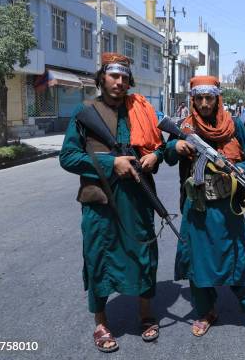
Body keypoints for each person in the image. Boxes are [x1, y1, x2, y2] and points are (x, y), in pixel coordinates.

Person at [59, 52, 165, 353]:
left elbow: (161, 145)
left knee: (144, 253)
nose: (119, 82)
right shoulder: (85, 111)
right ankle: (102, 321)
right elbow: (68, 157)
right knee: (99, 257)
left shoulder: (142, 110)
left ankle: (145, 314)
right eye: (113, 75)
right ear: (102, 78)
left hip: (137, 198)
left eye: (124, 77)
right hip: (100, 202)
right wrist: (111, 164)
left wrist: (156, 155)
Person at [164, 76, 245, 349]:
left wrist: (240, 172)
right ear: (192, 99)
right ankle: (207, 311)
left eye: (209, 97)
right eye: (198, 98)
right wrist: (175, 146)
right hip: (197, 208)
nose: (204, 103)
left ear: (217, 98)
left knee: (239, 258)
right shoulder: (184, 126)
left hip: (228, 206)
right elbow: (167, 154)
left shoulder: (233, 126)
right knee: (198, 262)